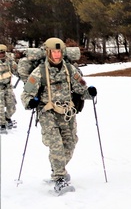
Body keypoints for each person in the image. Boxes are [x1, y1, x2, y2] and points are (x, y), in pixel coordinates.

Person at [20, 38, 96, 193]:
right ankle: (59, 177)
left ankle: (57, 168)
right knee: (56, 144)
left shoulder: (69, 69)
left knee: (70, 143)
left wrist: (90, 92)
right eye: (54, 52)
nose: (56, 55)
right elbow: (26, 94)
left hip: (67, 112)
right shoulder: (39, 72)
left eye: (59, 51)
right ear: (48, 52)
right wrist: (31, 102)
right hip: (47, 112)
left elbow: (81, 88)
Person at [0, 44, 16, 133]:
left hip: (8, 87)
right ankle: (1, 123)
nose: (1, 55)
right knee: (0, 107)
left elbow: (16, 70)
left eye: (2, 53)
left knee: (12, 106)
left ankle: (7, 117)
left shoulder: (9, 61)